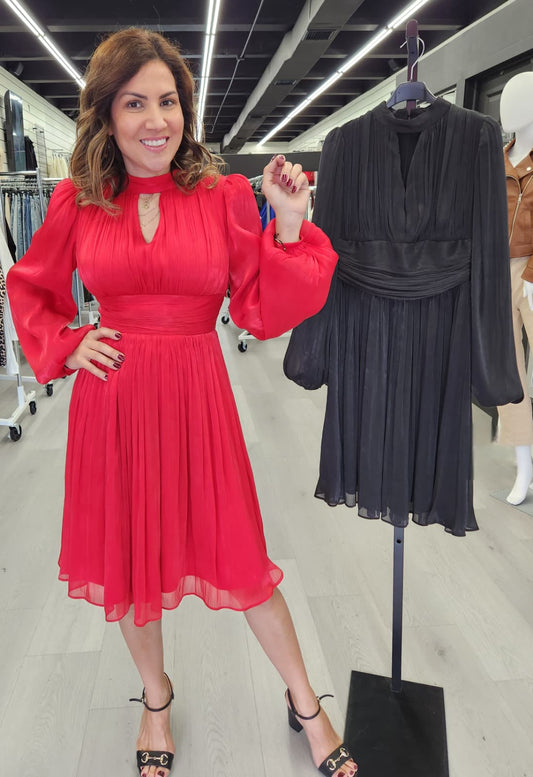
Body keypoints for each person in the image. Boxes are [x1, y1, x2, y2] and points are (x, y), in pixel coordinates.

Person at [6, 28, 357, 777]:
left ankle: (305, 701)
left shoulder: (222, 196)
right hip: (113, 405)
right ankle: (156, 700)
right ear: (106, 114)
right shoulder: (77, 200)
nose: (156, 120)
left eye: (168, 101)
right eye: (135, 103)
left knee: (242, 557)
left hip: (199, 398)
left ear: (185, 111)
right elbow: (29, 285)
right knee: (131, 565)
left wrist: (287, 221)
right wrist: (67, 341)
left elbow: (258, 309)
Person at [497, 71, 533, 505]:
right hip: (499, 272)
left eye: (519, 98)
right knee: (509, 372)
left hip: (532, 271)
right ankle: (524, 466)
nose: (508, 107)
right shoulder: (495, 162)